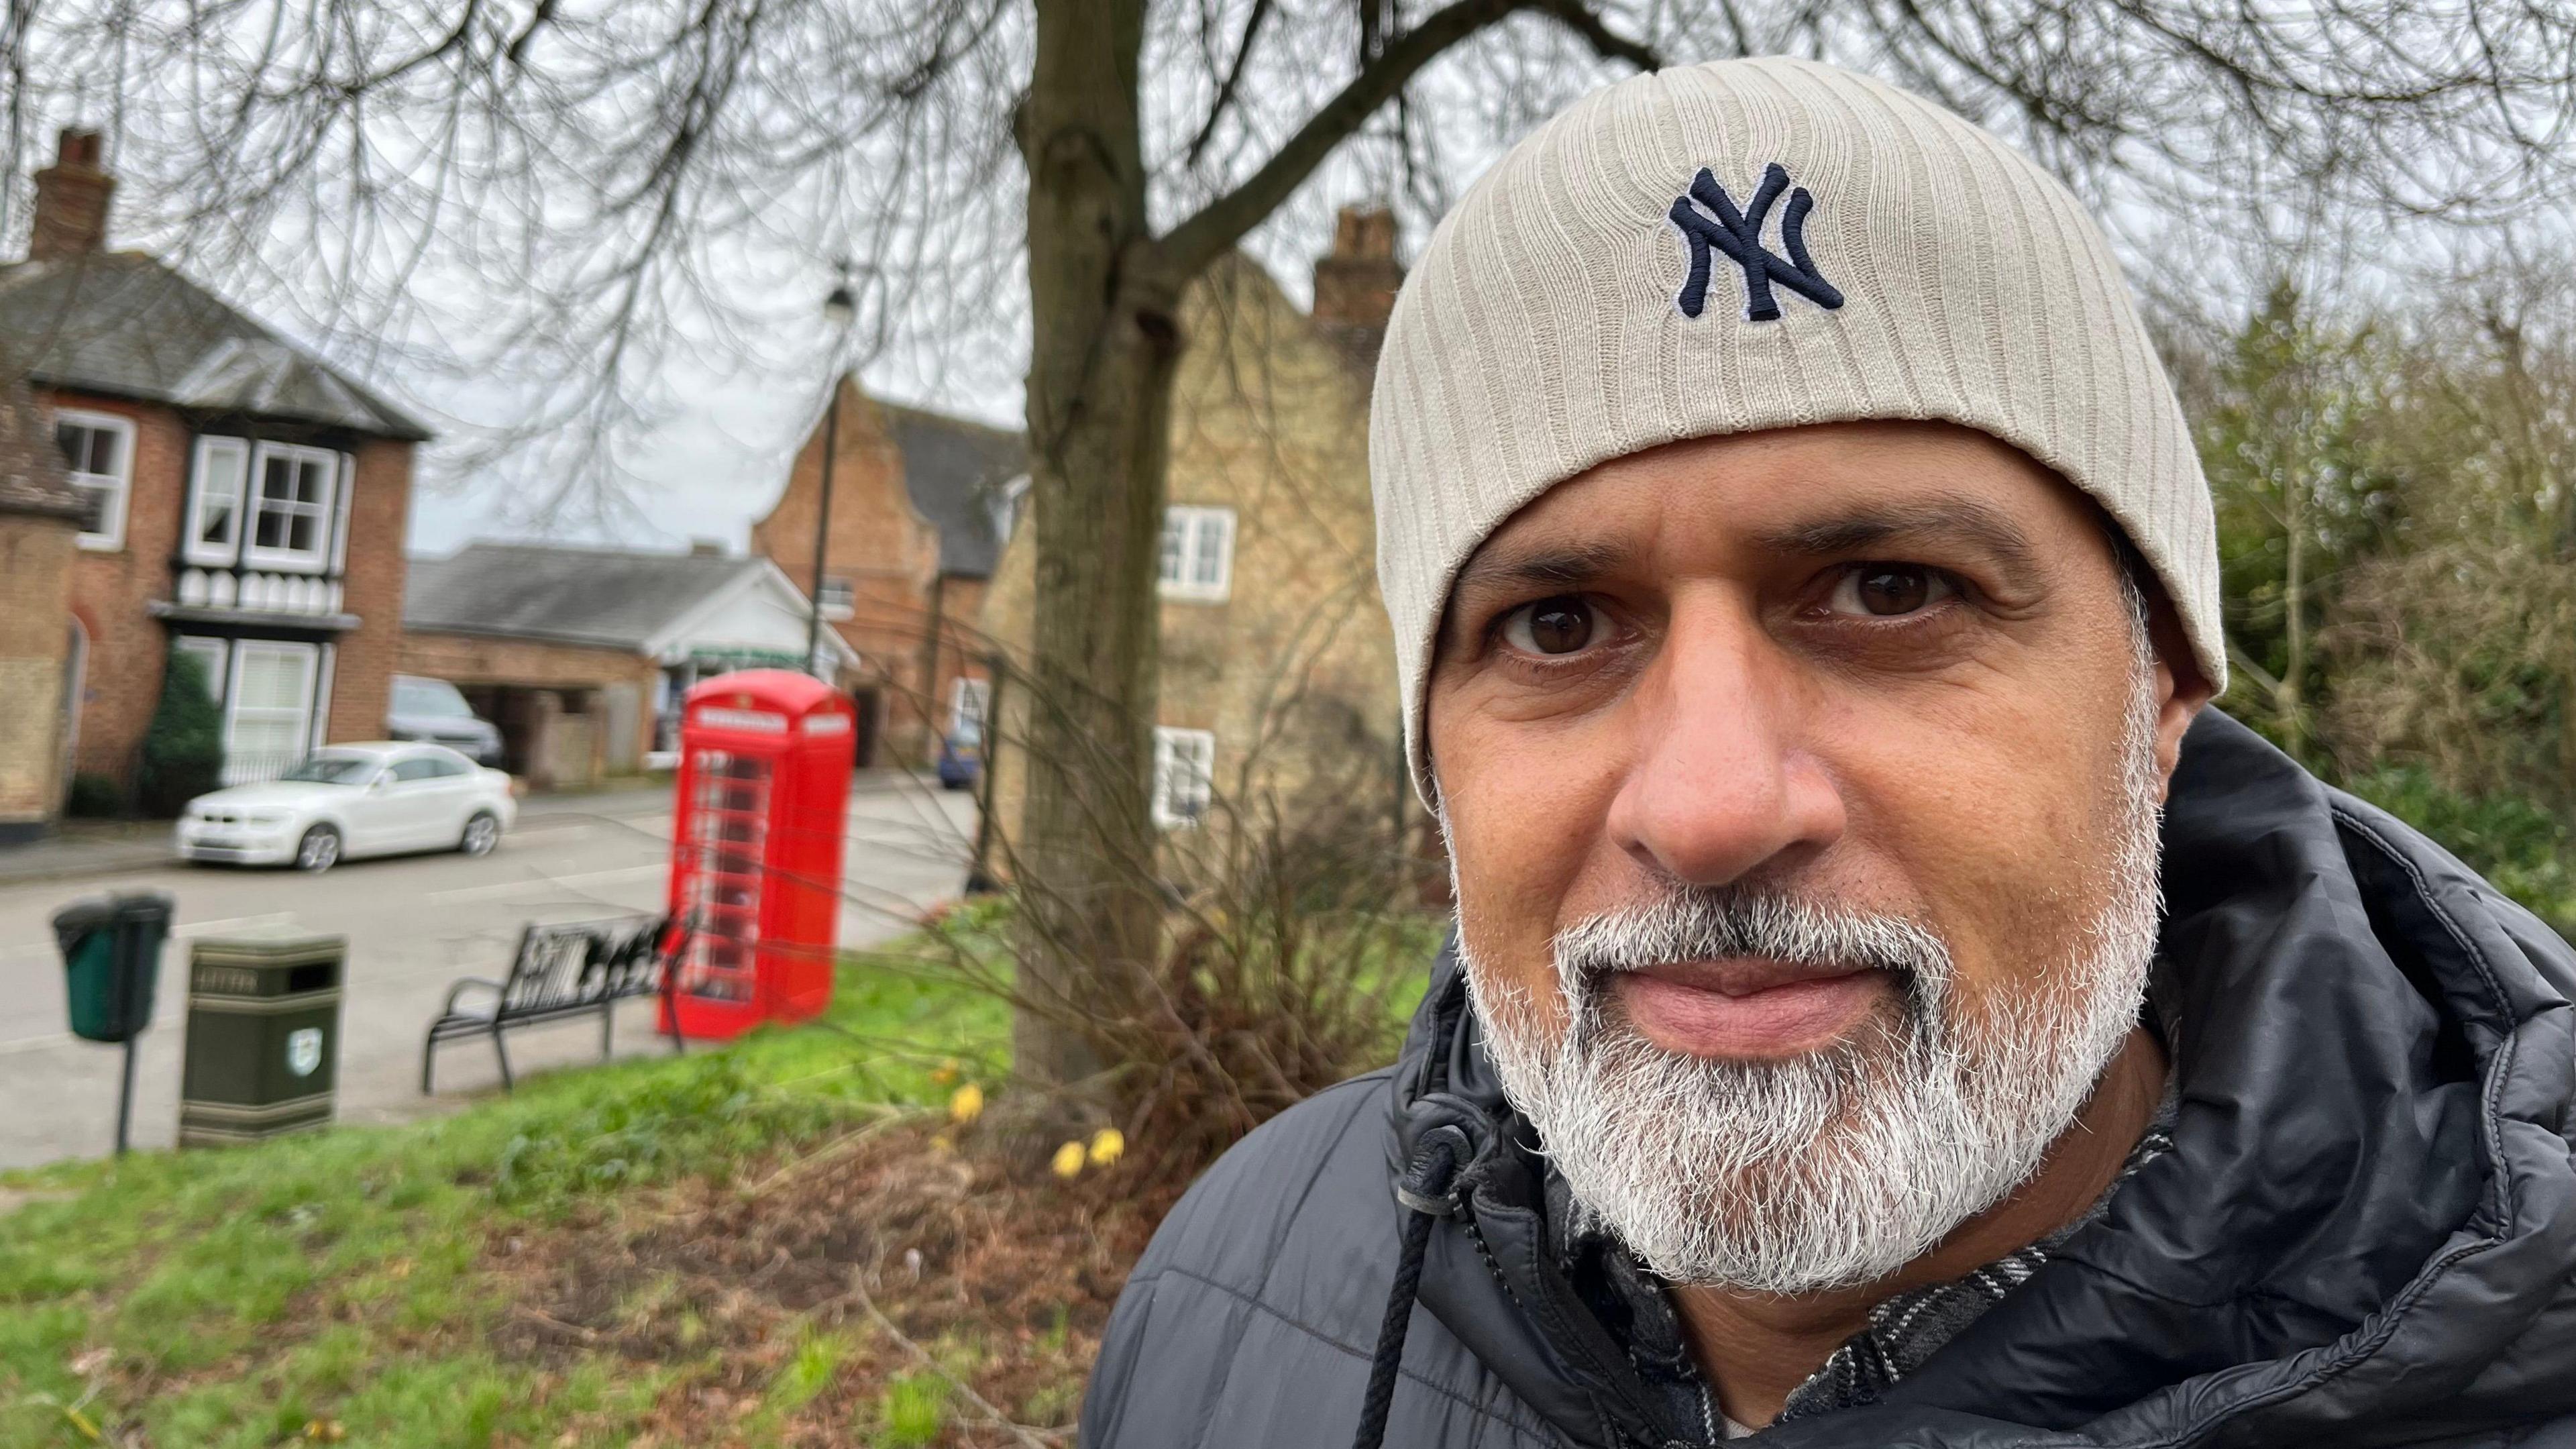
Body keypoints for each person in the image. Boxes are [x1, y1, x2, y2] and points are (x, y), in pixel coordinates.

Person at [1079, 57, 2576, 1448]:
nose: (1713, 808)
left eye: (1891, 592)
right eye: (1554, 626)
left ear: (2165, 687)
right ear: (1437, 755)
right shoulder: (1237, 1286)